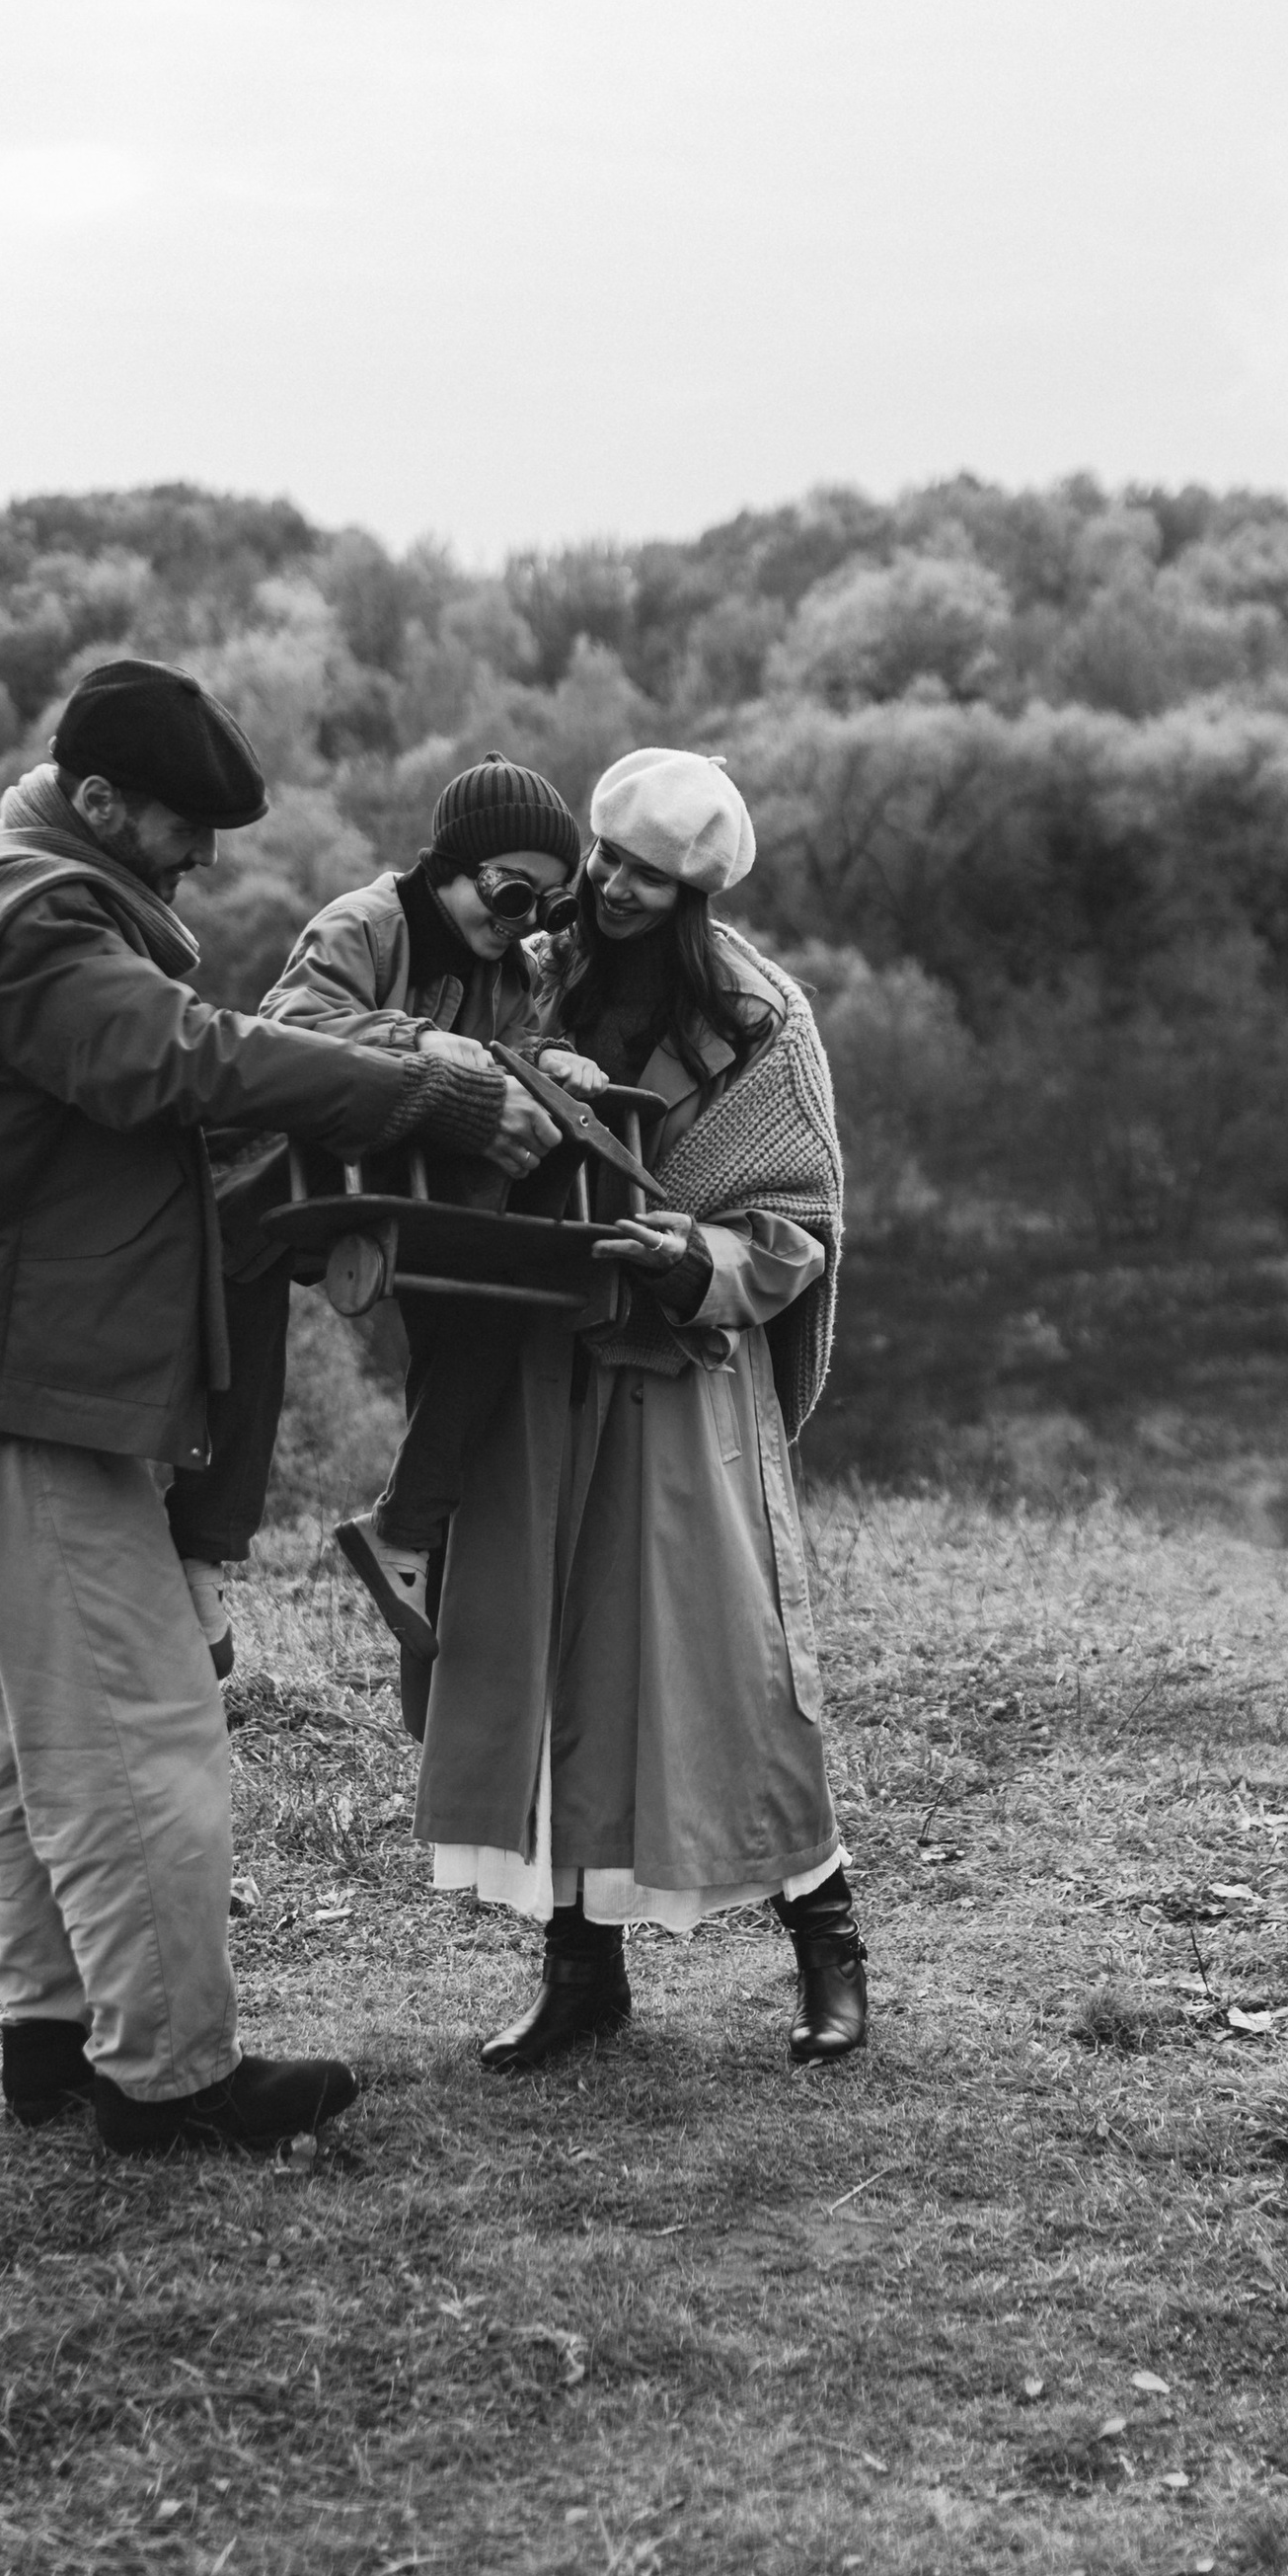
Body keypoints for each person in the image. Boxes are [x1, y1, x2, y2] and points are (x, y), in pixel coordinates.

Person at [0, 659, 559, 2158]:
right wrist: (426, 1093)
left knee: (31, 1739)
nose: (206, 860)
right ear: (97, 802)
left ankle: (54, 2039)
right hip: (12, 1407)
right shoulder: (38, 920)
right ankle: (171, 2076)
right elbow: (182, 1057)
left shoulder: (1, 880)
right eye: (184, 827)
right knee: (139, 1739)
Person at [410, 746, 871, 2072]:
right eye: (607, 861)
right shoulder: (527, 968)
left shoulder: (761, 1019)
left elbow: (801, 1225)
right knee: (544, 1660)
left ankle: (827, 1943)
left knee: (732, 1670)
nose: (611, 890)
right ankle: (580, 1975)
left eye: (646, 879)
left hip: (681, 1382)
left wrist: (693, 1263)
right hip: (538, 1370)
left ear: (694, 894)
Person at [163, 755, 597, 1658]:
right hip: (299, 1161)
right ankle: (202, 1545)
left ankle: (409, 1525)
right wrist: (430, 1044)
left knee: (499, 1300)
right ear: (451, 866)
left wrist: (547, 1063)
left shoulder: (510, 974)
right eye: (510, 894)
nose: (519, 925)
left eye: (545, 909)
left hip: (415, 1184)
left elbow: (509, 1054)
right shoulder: (369, 922)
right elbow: (295, 1024)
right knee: (244, 1285)